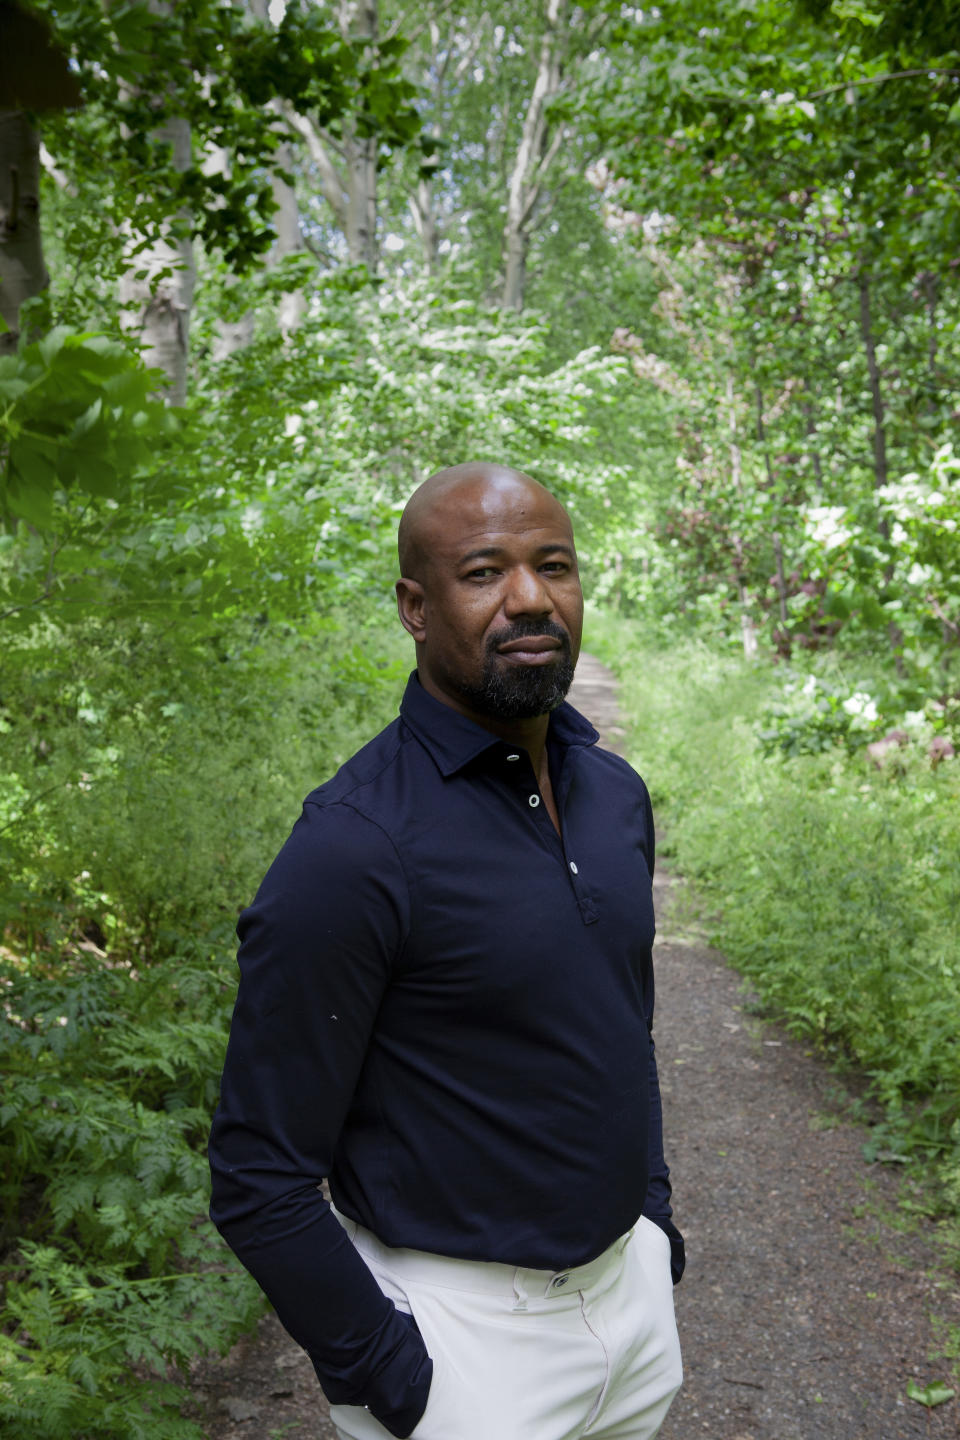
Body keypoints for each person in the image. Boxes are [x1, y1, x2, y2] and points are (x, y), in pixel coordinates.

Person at [208, 461, 684, 1440]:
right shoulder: (354, 847)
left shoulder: (615, 797)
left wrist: (653, 1230)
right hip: (465, 1349)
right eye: (483, 573)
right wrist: (397, 1378)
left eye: (554, 566)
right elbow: (258, 1175)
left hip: (628, 1314)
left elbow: (619, 1028)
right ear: (415, 608)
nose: (529, 599)